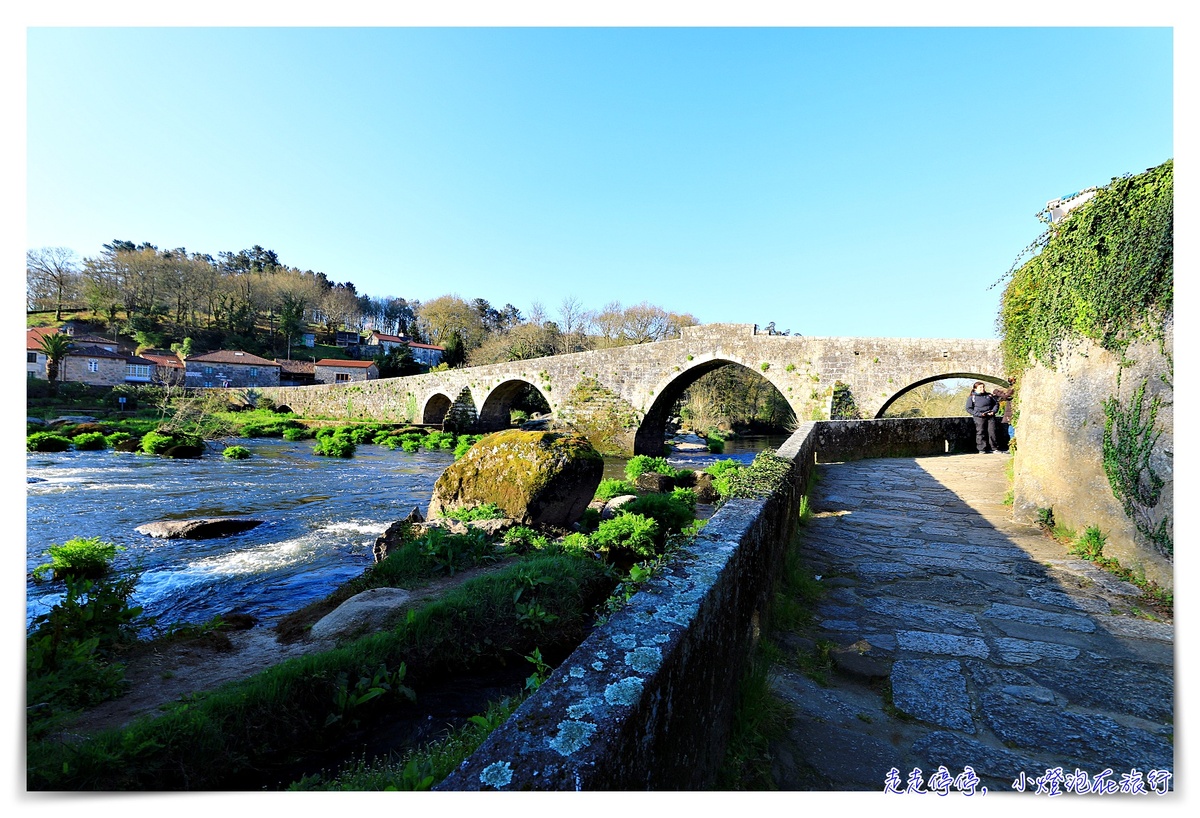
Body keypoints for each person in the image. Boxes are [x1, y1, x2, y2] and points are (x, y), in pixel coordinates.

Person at [965, 381, 1000, 453]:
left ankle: (994, 448)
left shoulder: (989, 396)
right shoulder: (972, 397)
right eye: (980, 387)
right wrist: (979, 414)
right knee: (980, 432)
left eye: (983, 387)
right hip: (979, 417)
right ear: (975, 389)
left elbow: (996, 404)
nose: (982, 389)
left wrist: (993, 411)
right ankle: (982, 449)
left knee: (992, 432)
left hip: (990, 416)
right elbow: (969, 408)